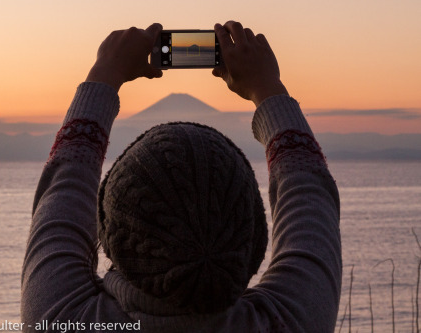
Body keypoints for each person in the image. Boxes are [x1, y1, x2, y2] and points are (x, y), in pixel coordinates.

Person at [21, 21, 341, 332]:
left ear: (106, 226)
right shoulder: (291, 321)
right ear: (256, 238)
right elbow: (310, 195)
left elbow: (65, 184)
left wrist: (105, 73)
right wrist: (267, 86)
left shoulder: (61, 317)